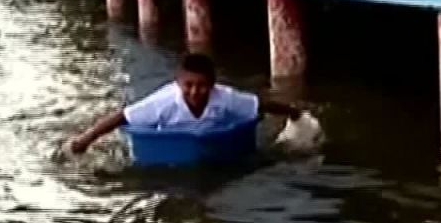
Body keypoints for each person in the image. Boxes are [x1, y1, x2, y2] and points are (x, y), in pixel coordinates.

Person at [67, 52, 306, 154]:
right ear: (178, 82)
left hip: (216, 143)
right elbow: (122, 117)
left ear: (213, 84)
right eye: (188, 85)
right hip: (172, 143)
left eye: (202, 85)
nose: (195, 91)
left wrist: (295, 114)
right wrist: (85, 140)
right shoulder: (163, 102)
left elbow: (261, 105)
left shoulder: (225, 98)